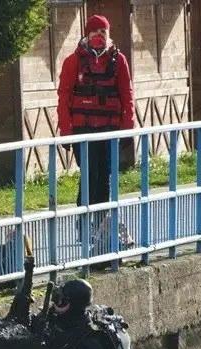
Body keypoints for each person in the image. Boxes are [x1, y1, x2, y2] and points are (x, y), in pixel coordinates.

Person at [57, 15, 134, 208]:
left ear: (108, 34)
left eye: (103, 31)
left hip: (109, 127)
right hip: (83, 129)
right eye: (95, 31)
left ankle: (101, 221)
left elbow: (127, 94)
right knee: (90, 174)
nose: (99, 35)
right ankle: (84, 220)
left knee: (106, 174)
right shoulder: (73, 61)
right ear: (87, 34)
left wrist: (128, 128)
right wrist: (66, 131)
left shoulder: (119, 60)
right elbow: (64, 97)